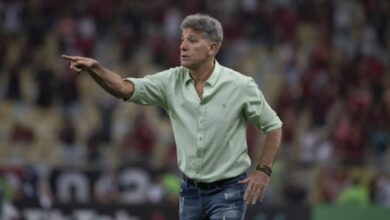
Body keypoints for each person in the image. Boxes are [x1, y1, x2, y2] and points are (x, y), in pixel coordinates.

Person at [62, 13, 282, 220]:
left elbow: (273, 126)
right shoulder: (170, 81)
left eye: (192, 40)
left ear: (212, 48)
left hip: (229, 190)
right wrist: (96, 68)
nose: (183, 46)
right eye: (183, 39)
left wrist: (263, 171)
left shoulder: (240, 85)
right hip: (190, 191)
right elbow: (123, 88)